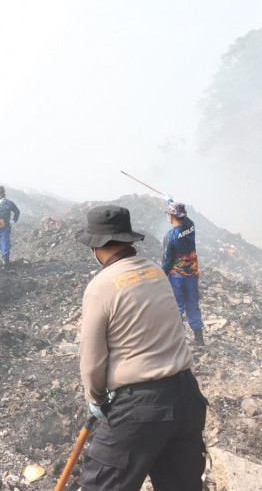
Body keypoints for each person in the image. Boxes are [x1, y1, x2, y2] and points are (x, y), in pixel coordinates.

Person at [76, 205, 208, 491]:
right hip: (187, 398)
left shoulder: (101, 285)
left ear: (97, 247)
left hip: (141, 409)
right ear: (129, 240)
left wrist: (96, 398)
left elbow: (92, 359)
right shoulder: (155, 272)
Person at [161, 200, 205, 346]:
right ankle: (199, 338)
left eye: (169, 214)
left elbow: (167, 260)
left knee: (177, 307)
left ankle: (178, 340)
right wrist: (171, 202)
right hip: (192, 273)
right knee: (192, 304)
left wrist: (161, 275)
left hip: (177, 276)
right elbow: (183, 218)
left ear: (171, 217)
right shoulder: (190, 225)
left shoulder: (170, 236)